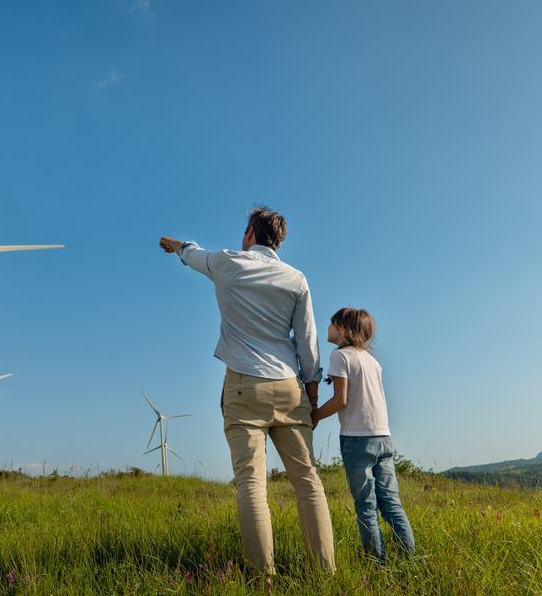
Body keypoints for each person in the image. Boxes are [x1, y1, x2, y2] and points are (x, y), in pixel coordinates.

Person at [159, 207, 335, 575]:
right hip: (290, 386)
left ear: (251, 233)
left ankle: (263, 579)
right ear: (279, 240)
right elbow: (308, 341)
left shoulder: (229, 263)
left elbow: (192, 254)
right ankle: (324, 574)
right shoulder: (296, 279)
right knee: (308, 482)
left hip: (244, 386)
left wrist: (175, 244)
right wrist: (313, 392)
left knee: (252, 485)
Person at [312, 307, 415, 563]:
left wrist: (313, 416)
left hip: (358, 441)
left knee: (366, 505)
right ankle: (409, 559)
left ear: (344, 330)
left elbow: (340, 401)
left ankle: (376, 564)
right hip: (384, 437)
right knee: (391, 502)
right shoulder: (372, 361)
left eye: (332, 323)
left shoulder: (340, 357)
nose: (328, 327)